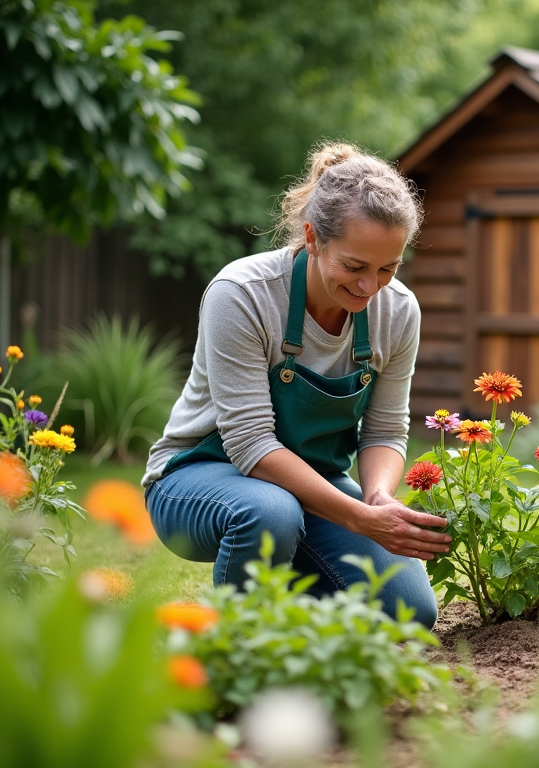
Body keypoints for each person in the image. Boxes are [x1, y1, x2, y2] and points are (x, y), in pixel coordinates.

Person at [142, 142, 449, 627]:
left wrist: (378, 498)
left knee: (407, 613)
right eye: (354, 266)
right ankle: (238, 644)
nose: (371, 287)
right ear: (312, 238)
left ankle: (296, 626)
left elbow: (386, 432)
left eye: (387, 268)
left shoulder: (398, 310)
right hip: (197, 476)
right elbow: (249, 443)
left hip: (313, 486)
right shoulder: (242, 295)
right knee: (271, 513)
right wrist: (356, 519)